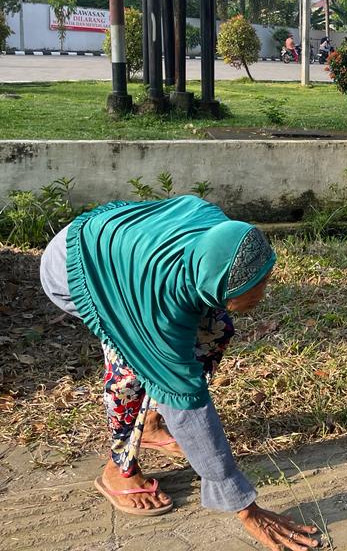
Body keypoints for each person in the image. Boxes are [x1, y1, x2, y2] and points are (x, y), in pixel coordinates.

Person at [38, 195, 320, 550]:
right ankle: (118, 470)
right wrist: (244, 507)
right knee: (133, 373)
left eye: (265, 281)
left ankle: (152, 424)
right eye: (250, 292)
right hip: (78, 266)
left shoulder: (224, 234)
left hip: (128, 246)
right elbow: (187, 400)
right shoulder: (158, 308)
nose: (263, 296)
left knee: (215, 331)